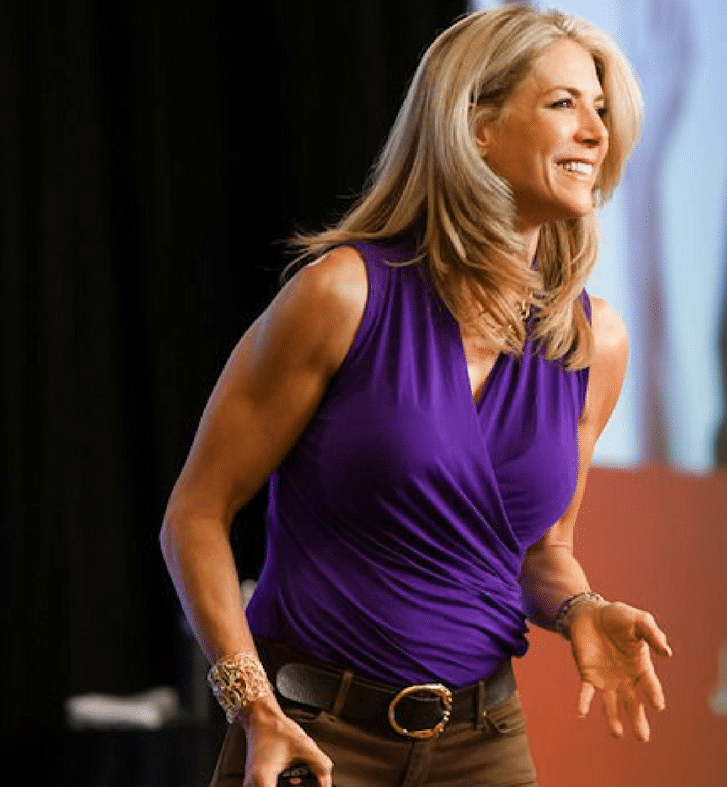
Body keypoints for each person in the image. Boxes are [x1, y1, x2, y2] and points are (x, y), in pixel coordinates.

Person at [158, 7, 671, 787]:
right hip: (313, 735)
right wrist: (251, 703)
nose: (596, 131)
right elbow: (195, 513)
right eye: (564, 102)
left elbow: (543, 552)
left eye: (601, 108)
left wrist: (580, 608)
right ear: (477, 129)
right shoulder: (342, 295)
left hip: (483, 743)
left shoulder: (592, 342)